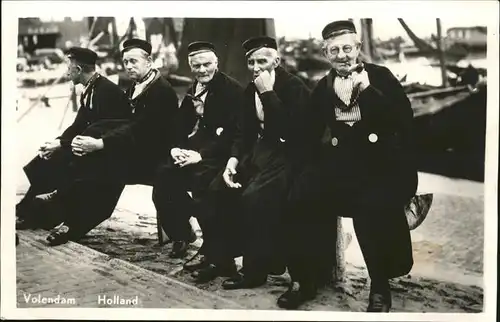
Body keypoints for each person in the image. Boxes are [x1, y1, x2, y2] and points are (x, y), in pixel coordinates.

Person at [278, 20, 418, 312]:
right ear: (326, 53)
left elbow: (403, 122)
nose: (342, 55)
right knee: (298, 197)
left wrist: (368, 92)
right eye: (334, 50)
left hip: (381, 163)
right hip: (340, 165)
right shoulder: (324, 85)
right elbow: (308, 131)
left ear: (358, 48)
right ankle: (304, 279)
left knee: (371, 208)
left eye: (347, 48)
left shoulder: (381, 77)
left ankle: (379, 284)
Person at [44, 38, 179, 246]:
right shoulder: (135, 86)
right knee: (96, 158)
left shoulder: (161, 91)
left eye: (133, 61)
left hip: (156, 156)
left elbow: (140, 129)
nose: (129, 66)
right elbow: (121, 123)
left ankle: (68, 213)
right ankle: (69, 218)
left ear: (149, 61)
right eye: (126, 62)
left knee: (103, 169)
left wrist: (101, 143)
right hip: (134, 149)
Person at [215, 36, 310, 290]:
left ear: (276, 61)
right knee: (219, 189)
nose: (256, 67)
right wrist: (232, 162)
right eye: (251, 62)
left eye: (263, 61)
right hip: (263, 154)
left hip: (293, 155)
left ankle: (259, 270)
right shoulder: (250, 90)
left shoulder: (294, 87)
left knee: (255, 198)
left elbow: (293, 132)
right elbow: (244, 132)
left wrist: (268, 93)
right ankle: (224, 259)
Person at [16, 47, 131, 230]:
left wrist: (63, 146)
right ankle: (27, 210)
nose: (67, 71)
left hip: (109, 151)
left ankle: (34, 213)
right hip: (89, 144)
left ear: (78, 70)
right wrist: (58, 142)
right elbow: (78, 125)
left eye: (69, 67)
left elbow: (105, 129)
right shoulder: (92, 88)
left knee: (60, 164)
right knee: (48, 158)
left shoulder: (106, 91)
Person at [152, 41, 244, 267]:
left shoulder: (232, 90)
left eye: (207, 65)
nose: (202, 70)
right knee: (163, 178)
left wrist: (200, 156)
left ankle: (212, 252)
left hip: (225, 154)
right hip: (202, 149)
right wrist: (176, 148)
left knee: (205, 189)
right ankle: (182, 234)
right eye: (196, 66)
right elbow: (180, 124)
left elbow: (235, 134)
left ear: (217, 63)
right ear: (190, 67)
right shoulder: (195, 88)